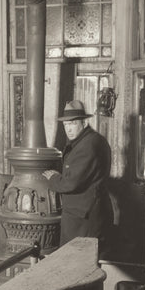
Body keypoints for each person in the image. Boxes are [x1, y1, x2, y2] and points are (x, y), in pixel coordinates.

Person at [43, 100, 113, 256]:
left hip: (84, 217)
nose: (68, 129)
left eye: (73, 124)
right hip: (85, 213)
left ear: (84, 122)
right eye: (66, 124)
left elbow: (71, 183)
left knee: (77, 260)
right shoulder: (90, 140)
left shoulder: (88, 145)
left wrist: (53, 178)